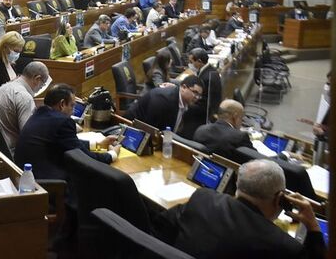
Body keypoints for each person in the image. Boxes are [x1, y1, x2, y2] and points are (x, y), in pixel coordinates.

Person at [155, 159, 326, 259]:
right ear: (280, 198)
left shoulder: (202, 198)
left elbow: (162, 225)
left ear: (238, 184)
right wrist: (313, 226)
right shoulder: (283, 245)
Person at [14, 83, 120, 181]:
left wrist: (98, 144)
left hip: (25, 174)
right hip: (45, 182)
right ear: (62, 104)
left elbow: (70, 143)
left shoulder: (39, 113)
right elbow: (85, 159)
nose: (73, 111)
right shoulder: (63, 121)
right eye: (72, 106)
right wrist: (112, 155)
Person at [0, 61, 50, 152]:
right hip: (13, 152)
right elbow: (29, 136)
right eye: (43, 84)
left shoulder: (5, 86)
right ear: (37, 79)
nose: (41, 87)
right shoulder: (25, 98)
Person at [125, 75, 203, 135]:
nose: (197, 97)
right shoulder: (163, 100)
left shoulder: (185, 101)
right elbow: (150, 129)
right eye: (195, 92)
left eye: (199, 95)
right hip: (131, 127)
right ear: (183, 87)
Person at [181, 48, 222, 139]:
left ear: (199, 61)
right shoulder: (209, 70)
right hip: (206, 109)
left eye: (191, 61)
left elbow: (204, 103)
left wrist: (186, 105)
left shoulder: (206, 77)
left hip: (203, 114)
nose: (190, 64)